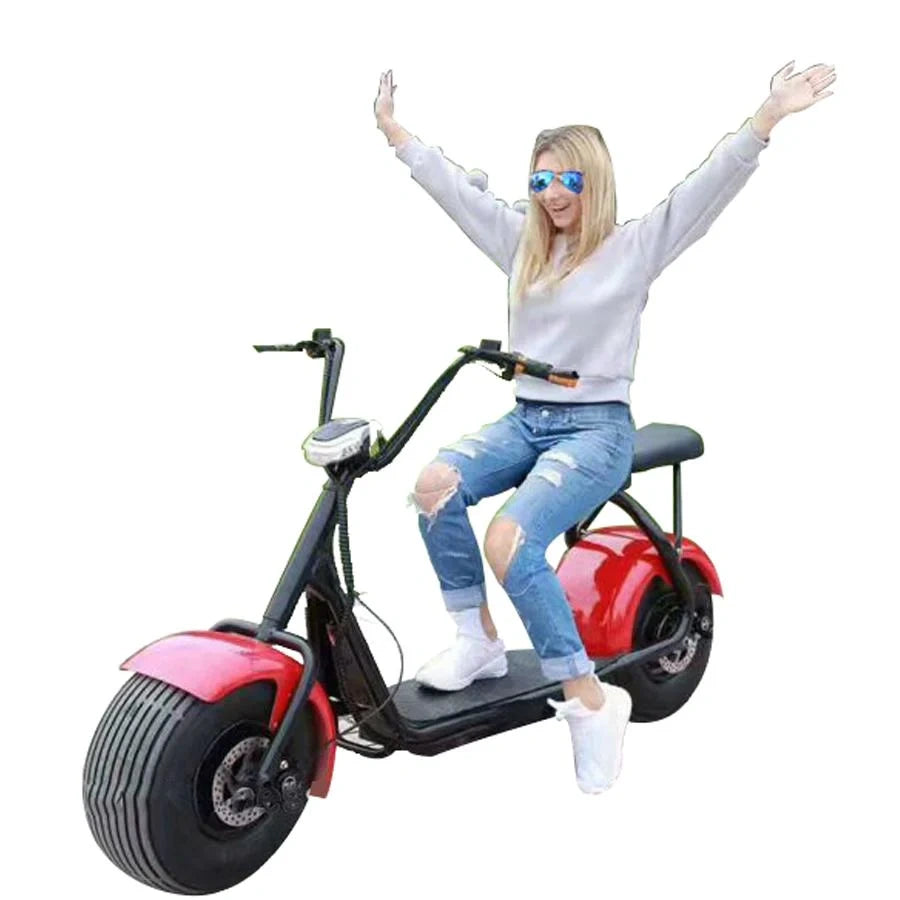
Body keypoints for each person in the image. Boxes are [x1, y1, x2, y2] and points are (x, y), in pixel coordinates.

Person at [372, 62, 836, 794]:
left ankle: (589, 699)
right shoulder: (523, 245)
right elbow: (456, 193)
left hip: (597, 430)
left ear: (595, 182)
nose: (552, 194)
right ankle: (478, 642)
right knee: (434, 486)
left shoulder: (634, 248)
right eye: (541, 180)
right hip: (526, 418)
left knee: (510, 540)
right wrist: (398, 135)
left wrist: (767, 117)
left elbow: (707, 188)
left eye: (568, 180)